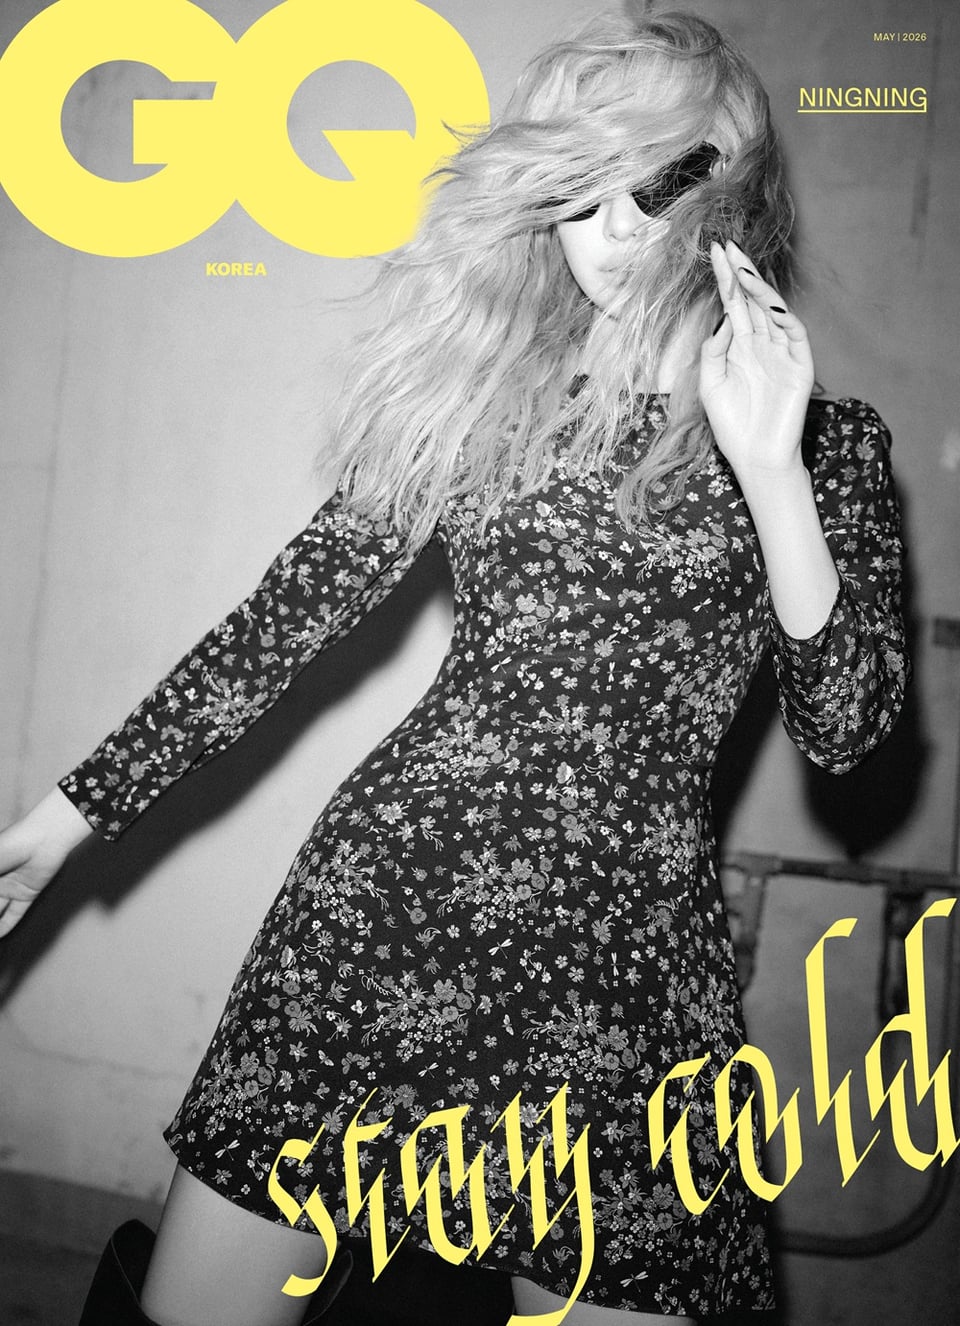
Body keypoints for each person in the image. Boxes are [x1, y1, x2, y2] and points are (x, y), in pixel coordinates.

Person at [0, 7, 909, 1325]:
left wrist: (771, 472)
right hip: (386, 910)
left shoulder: (831, 448)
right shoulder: (488, 399)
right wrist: (61, 823)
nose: (604, 226)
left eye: (648, 181)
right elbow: (280, 623)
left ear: (732, 190)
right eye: (574, 184)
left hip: (629, 962)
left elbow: (850, 730)